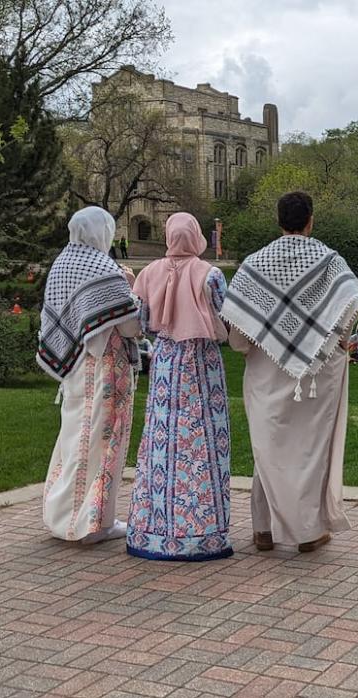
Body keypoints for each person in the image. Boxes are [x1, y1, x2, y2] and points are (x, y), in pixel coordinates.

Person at [223, 191, 358, 553]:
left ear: (278, 220)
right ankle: (308, 531)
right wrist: (335, 341)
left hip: (265, 369)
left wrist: (256, 346)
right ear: (311, 220)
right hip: (317, 373)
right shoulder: (330, 261)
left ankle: (264, 530)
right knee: (309, 450)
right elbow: (351, 307)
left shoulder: (254, 264)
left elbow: (237, 335)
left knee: (267, 448)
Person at [125, 212, 232, 561]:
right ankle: (201, 532)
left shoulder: (148, 273)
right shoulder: (210, 275)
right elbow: (226, 317)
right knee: (201, 441)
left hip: (165, 361)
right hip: (201, 362)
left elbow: (139, 322)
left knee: (162, 439)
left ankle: (153, 530)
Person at [38, 207, 140, 545]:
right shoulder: (103, 267)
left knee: (73, 439)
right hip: (104, 367)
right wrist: (132, 290)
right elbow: (129, 325)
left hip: (74, 365)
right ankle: (92, 522)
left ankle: (61, 515)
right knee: (101, 441)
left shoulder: (62, 263)